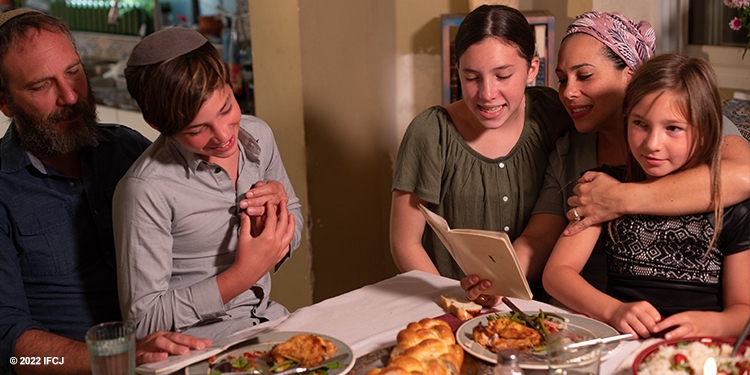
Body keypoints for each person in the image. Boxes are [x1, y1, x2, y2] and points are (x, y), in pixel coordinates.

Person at [461, 11, 750, 305]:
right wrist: (498, 277)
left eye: (585, 76)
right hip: (592, 312)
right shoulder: (569, 148)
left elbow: (744, 175)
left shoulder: (690, 122)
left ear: (631, 74)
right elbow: (540, 239)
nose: (569, 92)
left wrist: (621, 199)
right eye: (562, 80)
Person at [0, 10, 210, 375]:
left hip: (185, 353)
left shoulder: (128, 149)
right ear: (4, 102)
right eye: (41, 86)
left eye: (73, 71)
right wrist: (117, 357)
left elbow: (205, 226)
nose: (70, 95)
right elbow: (12, 349)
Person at [543, 54, 750, 339]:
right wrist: (613, 310)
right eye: (640, 123)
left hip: (697, 354)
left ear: (704, 133)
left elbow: (744, 309)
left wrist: (711, 325)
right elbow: (556, 274)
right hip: (621, 347)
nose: (652, 144)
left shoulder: (731, 205)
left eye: (673, 128)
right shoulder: (604, 188)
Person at [115, 27, 303, 341]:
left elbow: (294, 220)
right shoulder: (145, 190)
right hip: (199, 348)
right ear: (158, 125)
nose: (223, 135)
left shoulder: (260, 136)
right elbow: (142, 324)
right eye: (197, 129)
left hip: (269, 321)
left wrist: (276, 222)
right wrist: (242, 274)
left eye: (227, 108)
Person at [389, 4, 573, 302]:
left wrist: (501, 284)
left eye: (503, 76)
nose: (487, 93)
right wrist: (454, 302)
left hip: (540, 306)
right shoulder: (430, 132)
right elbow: (405, 243)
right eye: (472, 78)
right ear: (458, 71)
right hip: (450, 305)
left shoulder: (552, 114)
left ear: (533, 70)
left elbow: (546, 229)